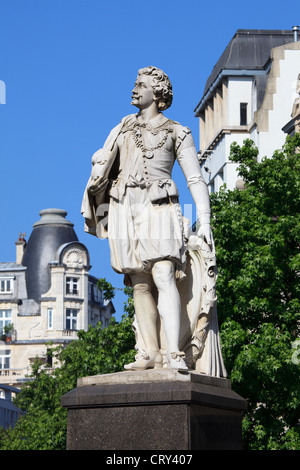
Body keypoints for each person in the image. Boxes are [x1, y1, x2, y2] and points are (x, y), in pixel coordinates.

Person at [82, 66, 212, 371]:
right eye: (135, 84)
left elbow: (195, 178)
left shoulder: (178, 132)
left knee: (164, 273)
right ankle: (150, 352)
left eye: (140, 85)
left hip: (159, 205)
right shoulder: (123, 127)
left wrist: (204, 219)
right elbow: (102, 165)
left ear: (158, 93)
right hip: (125, 204)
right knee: (139, 281)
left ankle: (173, 353)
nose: (134, 89)